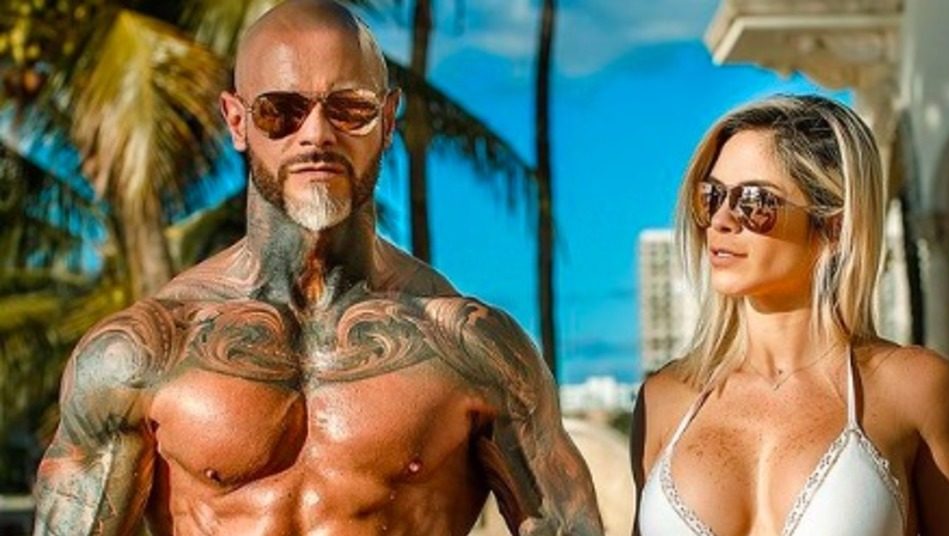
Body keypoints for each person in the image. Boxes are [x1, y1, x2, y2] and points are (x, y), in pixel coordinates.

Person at [32, 1, 603, 534]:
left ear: (388, 119)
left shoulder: (475, 350)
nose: (317, 135)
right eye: (281, 110)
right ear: (237, 121)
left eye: (350, 109)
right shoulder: (142, 354)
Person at [631, 95, 949, 535]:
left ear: (835, 227)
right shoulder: (664, 401)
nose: (720, 220)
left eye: (754, 201)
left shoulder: (914, 389)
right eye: (712, 196)